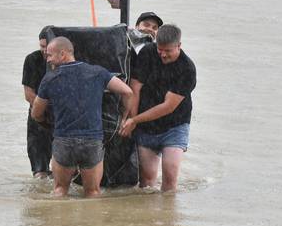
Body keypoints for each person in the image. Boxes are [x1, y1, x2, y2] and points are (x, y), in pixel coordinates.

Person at [31, 36, 133, 197]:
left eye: (50, 55)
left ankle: (58, 221)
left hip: (63, 140)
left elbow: (36, 113)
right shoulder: (97, 72)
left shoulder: (50, 78)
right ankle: (91, 222)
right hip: (91, 142)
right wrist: (125, 116)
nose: (48, 59)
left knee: (59, 190)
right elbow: (127, 91)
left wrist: (46, 122)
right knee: (93, 192)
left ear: (63, 53)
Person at [119, 24, 197, 192]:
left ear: (179, 46)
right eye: (160, 49)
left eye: (167, 50)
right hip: (146, 127)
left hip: (175, 125)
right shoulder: (148, 52)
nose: (162, 54)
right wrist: (132, 120)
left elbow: (168, 106)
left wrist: (134, 119)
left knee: (169, 179)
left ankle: (168, 217)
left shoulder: (187, 69)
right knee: (146, 182)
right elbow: (135, 87)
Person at [22, 29, 52, 178]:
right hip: (38, 115)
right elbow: (29, 94)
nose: (44, 51)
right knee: (39, 168)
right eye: (41, 46)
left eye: (47, 47)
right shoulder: (32, 60)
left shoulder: (65, 61)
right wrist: (44, 112)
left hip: (61, 117)